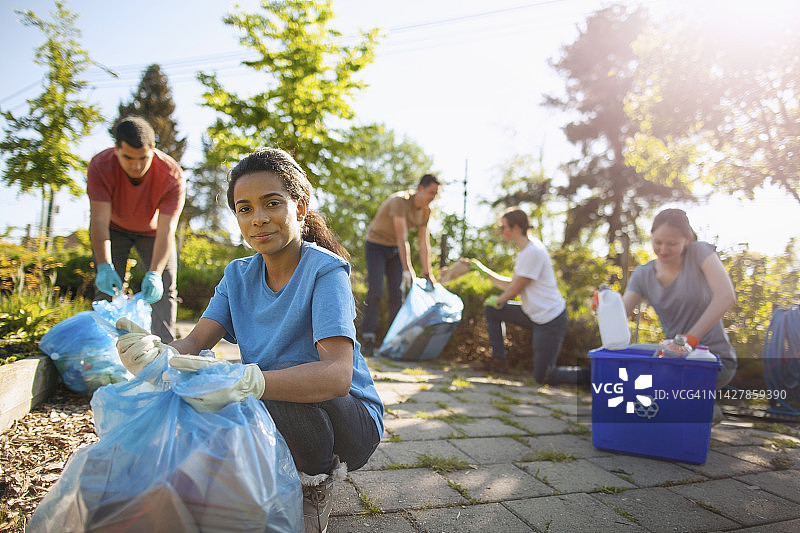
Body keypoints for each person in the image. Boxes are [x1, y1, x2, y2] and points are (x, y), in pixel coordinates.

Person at [115, 148, 383, 533]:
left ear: (300, 208)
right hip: (280, 403)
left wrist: (246, 381)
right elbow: (196, 341)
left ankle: (316, 483)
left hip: (350, 420)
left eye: (272, 203)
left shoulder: (326, 270)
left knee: (264, 380)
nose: (258, 218)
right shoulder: (238, 275)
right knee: (212, 388)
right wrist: (156, 355)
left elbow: (337, 375)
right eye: (245, 208)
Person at [622, 208, 737, 421]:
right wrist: (604, 307)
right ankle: (698, 406)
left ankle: (699, 408)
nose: (663, 250)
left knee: (663, 402)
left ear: (688, 239)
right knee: (642, 397)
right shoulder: (643, 274)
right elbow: (620, 315)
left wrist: (689, 340)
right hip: (674, 360)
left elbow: (726, 296)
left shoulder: (700, 253)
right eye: (658, 242)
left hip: (713, 358)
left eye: (672, 244)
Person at [87, 116, 185, 342]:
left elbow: (167, 229)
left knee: (165, 288)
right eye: (128, 158)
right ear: (116, 149)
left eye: (143, 158)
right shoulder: (100, 166)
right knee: (107, 291)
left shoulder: (172, 175)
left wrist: (154, 273)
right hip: (112, 229)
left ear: (153, 149)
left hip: (153, 233)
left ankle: (166, 353)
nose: (136, 165)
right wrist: (104, 265)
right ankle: (104, 353)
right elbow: (99, 220)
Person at [468, 207, 588, 384]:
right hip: (532, 313)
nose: (501, 231)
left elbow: (515, 289)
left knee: (544, 376)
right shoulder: (525, 252)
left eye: (503, 227)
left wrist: (499, 300)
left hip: (549, 319)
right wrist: (485, 272)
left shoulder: (534, 252)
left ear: (516, 228)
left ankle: (592, 375)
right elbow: (512, 284)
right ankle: (499, 361)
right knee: (492, 310)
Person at [360, 173, 440, 356]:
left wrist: (428, 274)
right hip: (376, 245)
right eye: (431, 192)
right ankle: (369, 339)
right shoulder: (399, 202)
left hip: (395, 250)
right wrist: (407, 269)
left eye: (436, 194)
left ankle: (392, 342)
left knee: (398, 295)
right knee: (375, 291)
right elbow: (402, 237)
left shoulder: (426, 211)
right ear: (420, 189)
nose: (433, 197)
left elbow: (423, 243)